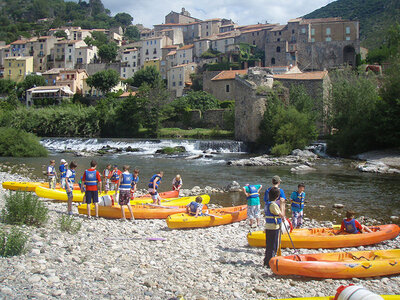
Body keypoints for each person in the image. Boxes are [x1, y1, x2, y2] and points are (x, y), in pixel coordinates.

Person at [264, 187, 285, 268]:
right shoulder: (273, 205)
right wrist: (282, 204)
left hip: (268, 227)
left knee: (269, 245)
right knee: (273, 246)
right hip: (273, 227)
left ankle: (266, 262)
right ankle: (270, 263)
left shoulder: (267, 203)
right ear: (277, 197)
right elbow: (281, 215)